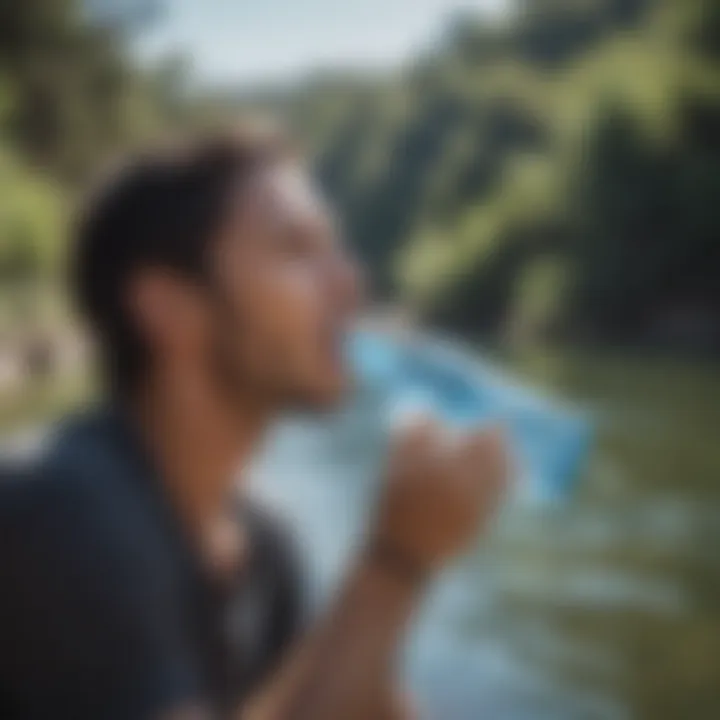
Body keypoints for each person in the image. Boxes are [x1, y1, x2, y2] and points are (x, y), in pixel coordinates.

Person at [0, 127, 508, 719]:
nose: (350, 283)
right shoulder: (57, 511)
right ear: (169, 308)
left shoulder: (266, 549)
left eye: (335, 251)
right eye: (296, 250)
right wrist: (397, 560)